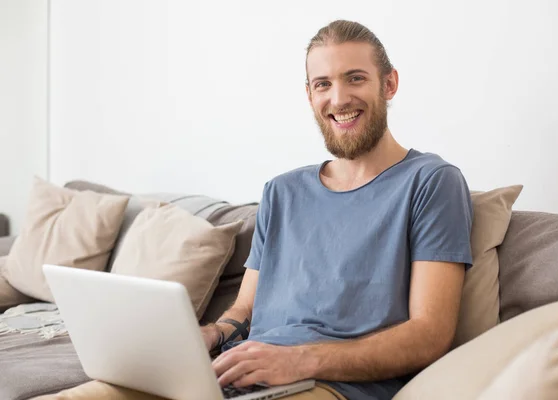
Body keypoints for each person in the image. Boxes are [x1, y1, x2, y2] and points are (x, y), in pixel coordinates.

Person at [203, 19, 474, 400]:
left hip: (328, 385)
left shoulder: (431, 182)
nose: (339, 98)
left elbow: (430, 333)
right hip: (237, 376)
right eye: (323, 84)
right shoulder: (281, 192)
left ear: (389, 83)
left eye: (356, 78)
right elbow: (246, 306)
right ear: (310, 95)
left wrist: (299, 361)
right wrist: (214, 332)